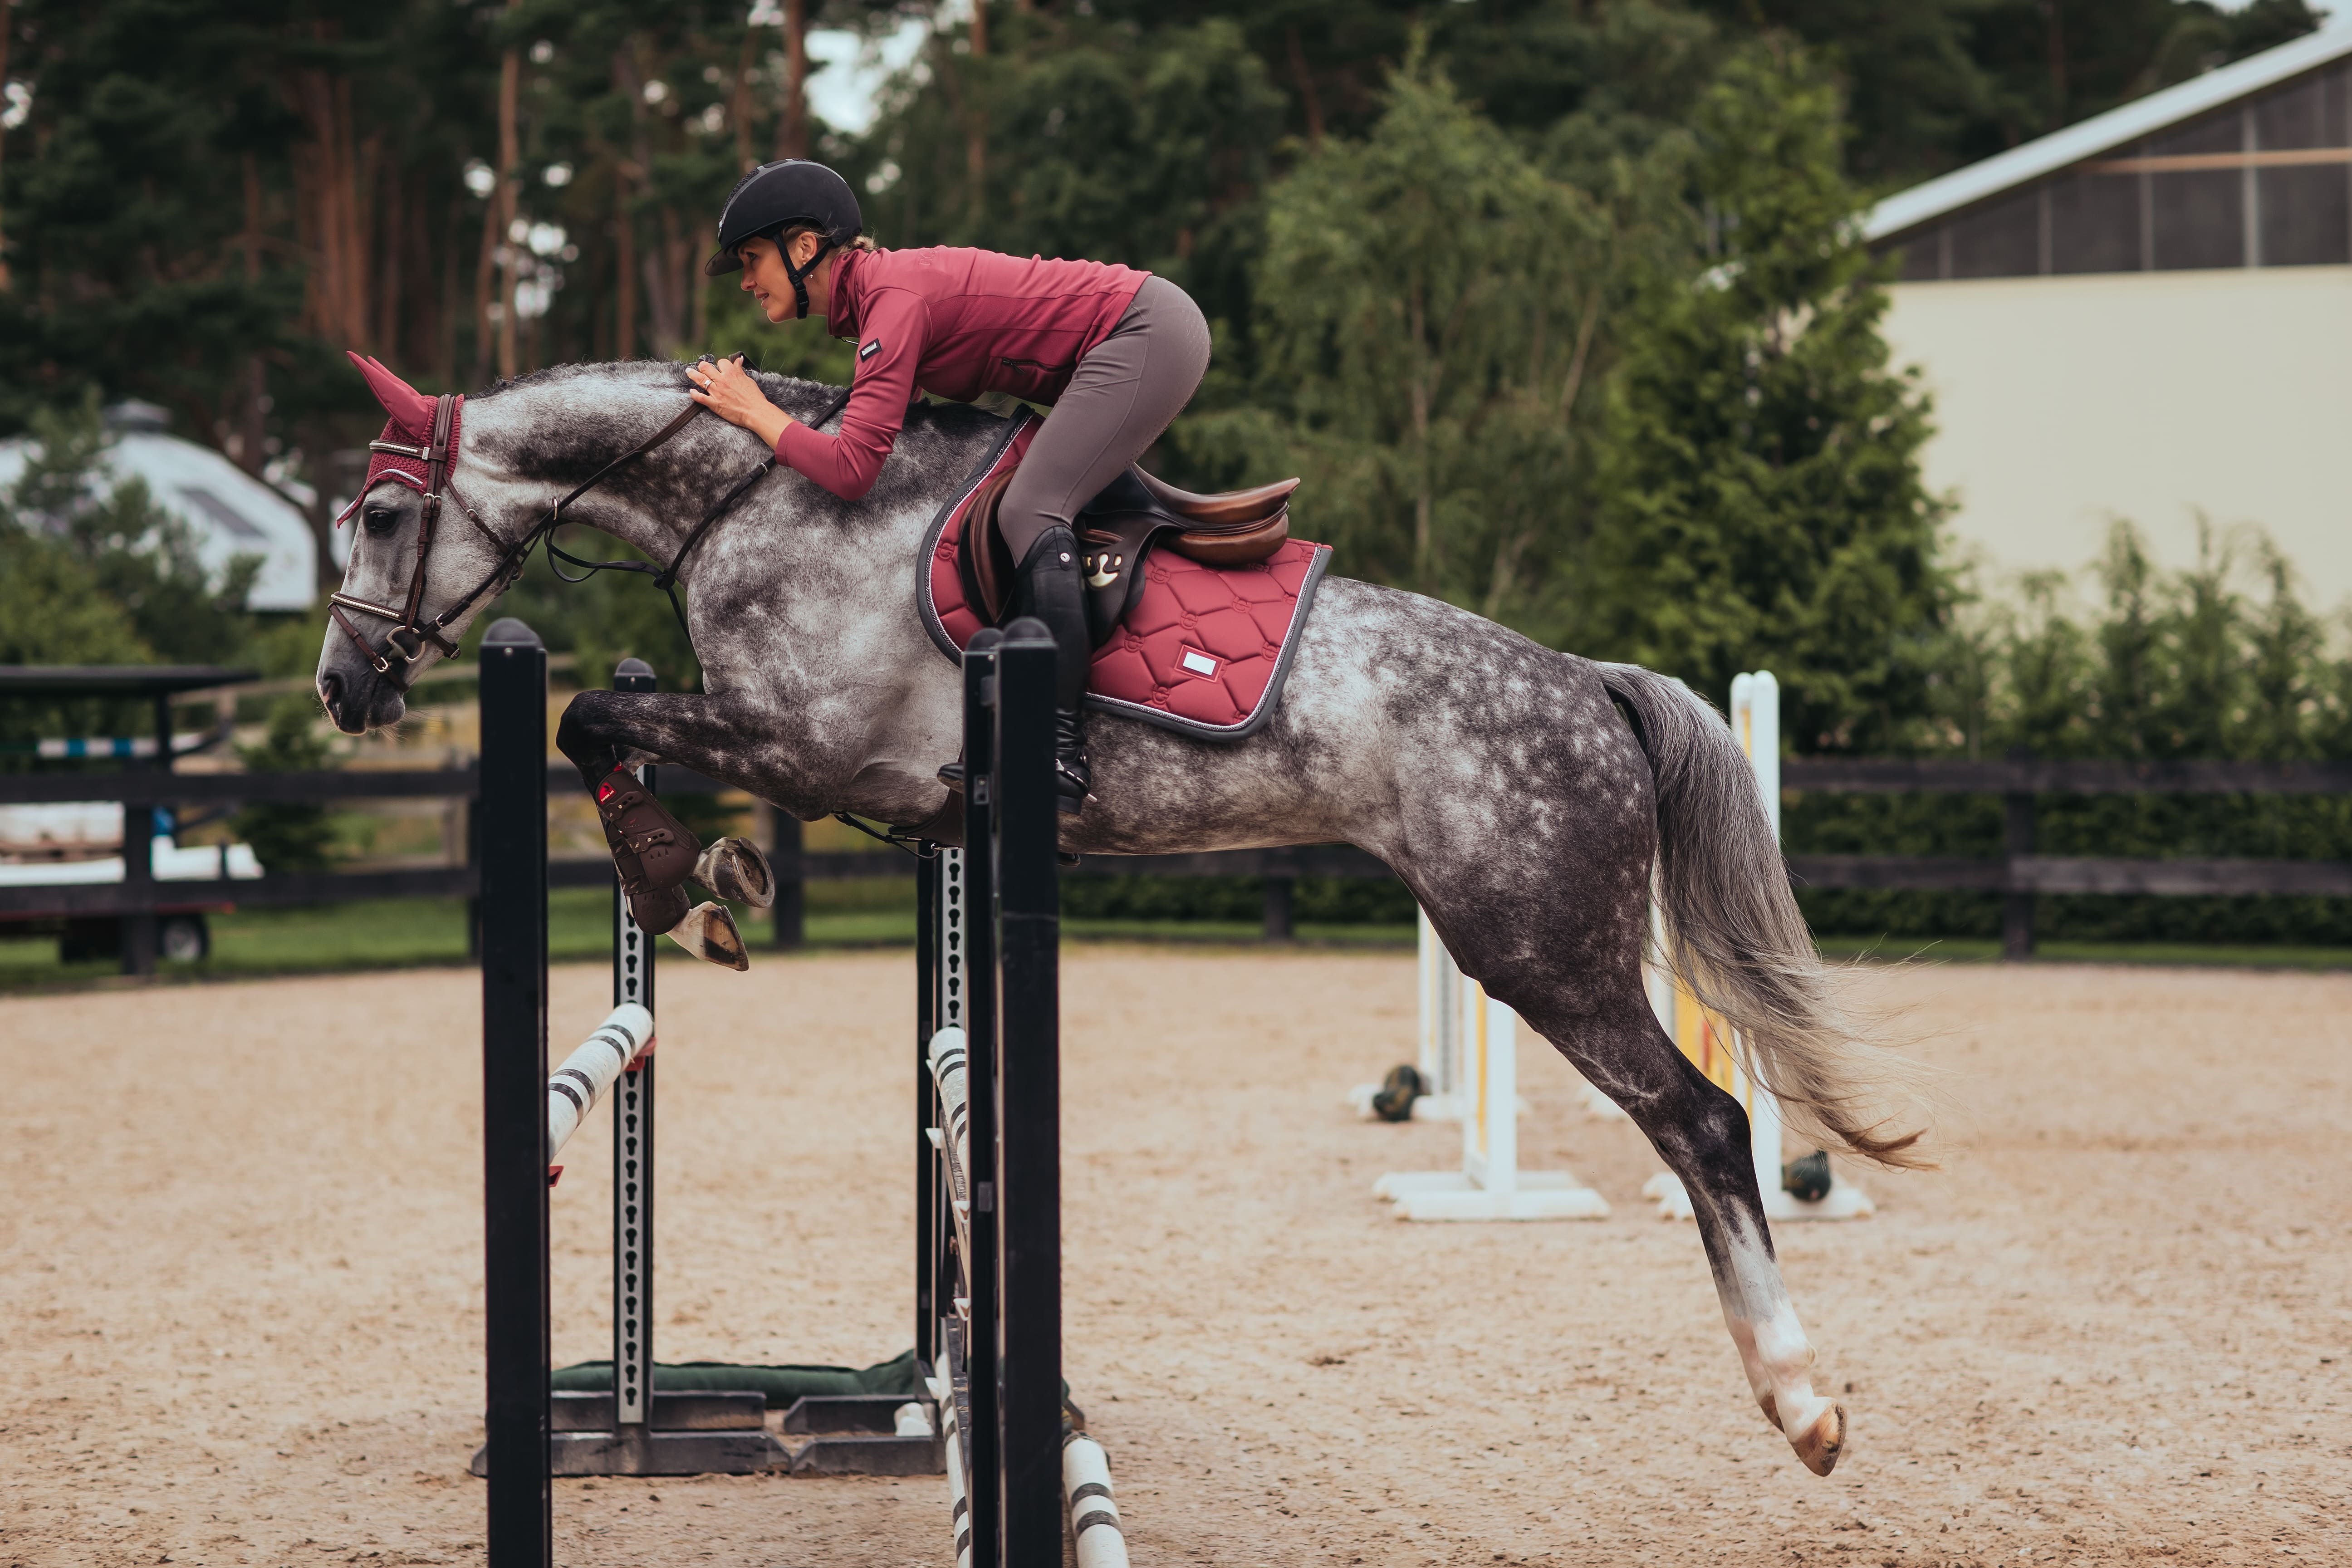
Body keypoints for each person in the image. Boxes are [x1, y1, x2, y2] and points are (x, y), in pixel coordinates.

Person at [686, 159, 1212, 817]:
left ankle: (1056, 745)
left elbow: (853, 472)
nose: (746, 282)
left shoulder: (892, 302)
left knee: (1028, 509)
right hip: (1135, 334)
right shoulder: (879, 301)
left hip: (1146, 332)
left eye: (752, 259)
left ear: (803, 248)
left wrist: (756, 412)